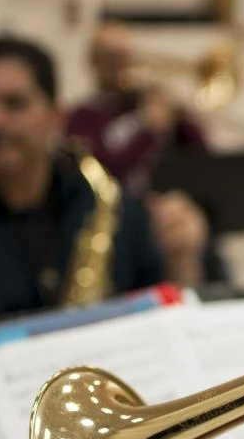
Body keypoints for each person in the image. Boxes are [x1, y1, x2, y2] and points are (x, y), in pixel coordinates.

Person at [0, 35, 207, 333]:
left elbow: (174, 323)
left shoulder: (110, 205)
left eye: (15, 104)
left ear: (57, 116)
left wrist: (182, 260)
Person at [66, 20, 226, 283]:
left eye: (127, 54)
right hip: (120, 231)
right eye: (112, 56)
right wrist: (146, 128)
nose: (123, 63)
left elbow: (200, 155)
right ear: (93, 62)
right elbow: (105, 171)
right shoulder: (82, 118)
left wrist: (178, 113)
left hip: (167, 219)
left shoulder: (147, 102)